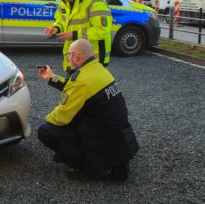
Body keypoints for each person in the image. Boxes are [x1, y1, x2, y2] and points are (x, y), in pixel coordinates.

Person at [37, 39, 139, 181]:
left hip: (99, 136)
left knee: (46, 131)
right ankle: (116, 161)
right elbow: (75, 88)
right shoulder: (97, 68)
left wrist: (47, 119)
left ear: (76, 56)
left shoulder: (81, 80)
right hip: (118, 134)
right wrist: (51, 78)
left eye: (68, 55)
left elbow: (62, 116)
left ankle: (87, 166)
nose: (68, 59)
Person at [44, 0, 112, 72]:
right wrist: (56, 28)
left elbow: (101, 31)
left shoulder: (96, 1)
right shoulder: (65, 1)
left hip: (93, 60)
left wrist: (74, 35)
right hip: (73, 60)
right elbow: (61, 21)